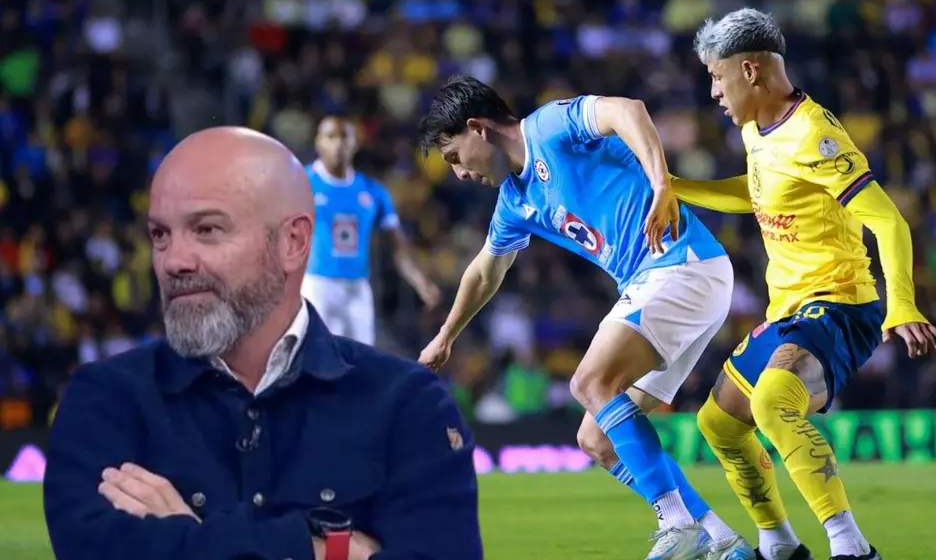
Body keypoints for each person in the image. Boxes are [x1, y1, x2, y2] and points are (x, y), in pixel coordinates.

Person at [42, 127, 482, 560]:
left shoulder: (409, 404)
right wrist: (325, 550)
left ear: (293, 242)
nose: (174, 261)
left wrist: (186, 540)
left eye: (207, 230)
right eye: (160, 235)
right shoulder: (105, 400)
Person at [416, 76, 753, 560]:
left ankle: (677, 522)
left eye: (454, 157)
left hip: (681, 263)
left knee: (590, 382)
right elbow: (485, 270)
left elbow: (629, 110)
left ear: (478, 129)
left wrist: (662, 184)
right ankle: (725, 542)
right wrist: (447, 334)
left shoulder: (550, 126)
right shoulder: (514, 201)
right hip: (664, 283)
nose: (460, 174)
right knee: (596, 438)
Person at [675, 9, 936, 560]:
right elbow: (755, 194)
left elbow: (887, 220)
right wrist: (675, 187)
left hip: (842, 306)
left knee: (775, 401)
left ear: (750, 71)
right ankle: (779, 546)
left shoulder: (815, 134)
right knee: (718, 424)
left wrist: (903, 305)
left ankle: (851, 547)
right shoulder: (756, 128)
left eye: (716, 76)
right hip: (789, 312)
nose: (712, 92)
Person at [302, 116, 441, 345]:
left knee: (360, 363)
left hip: (357, 287)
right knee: (316, 357)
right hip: (316, 283)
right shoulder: (302, 181)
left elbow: (398, 245)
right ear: (318, 142)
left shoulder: (373, 191)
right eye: (331, 137)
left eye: (344, 137)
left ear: (355, 143)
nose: (338, 144)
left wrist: (419, 281)